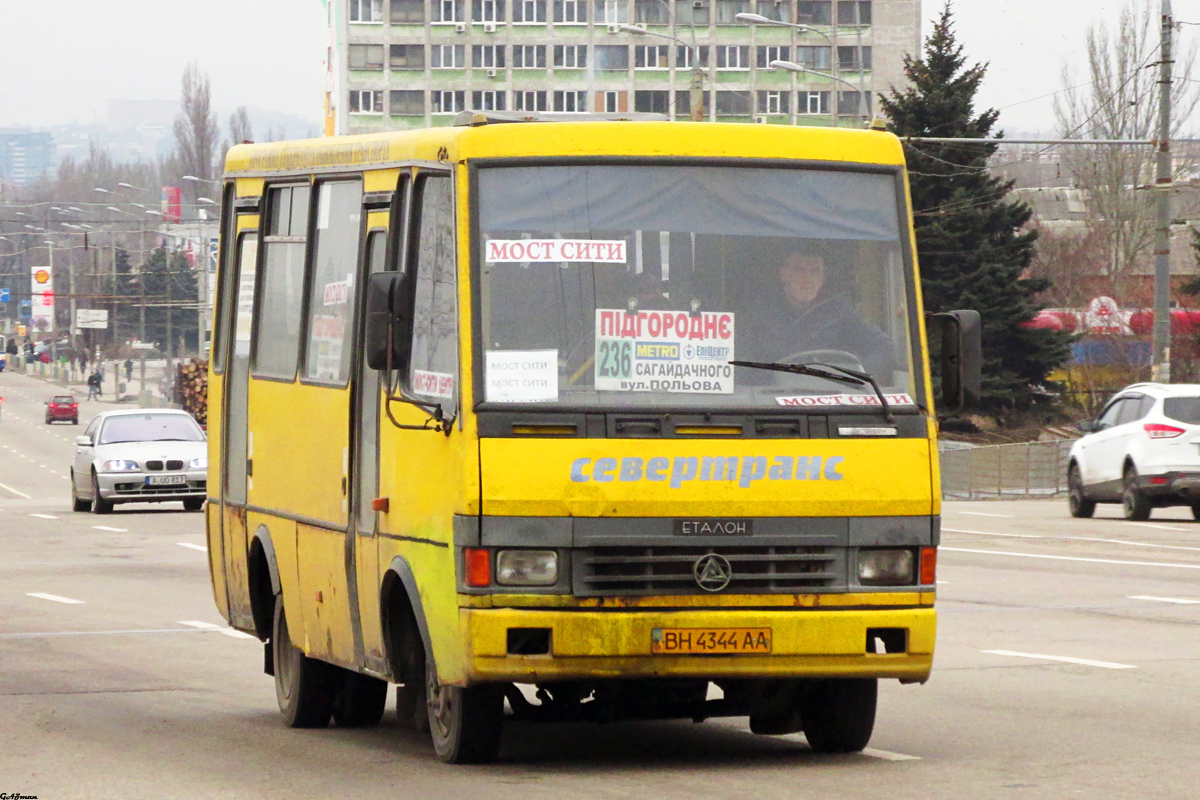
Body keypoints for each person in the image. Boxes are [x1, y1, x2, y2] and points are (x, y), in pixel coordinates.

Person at [743, 249, 896, 378]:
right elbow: (742, 365)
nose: (807, 279)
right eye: (799, 270)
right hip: (770, 402)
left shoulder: (839, 314)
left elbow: (884, 347)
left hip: (828, 403)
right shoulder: (760, 314)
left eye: (815, 271)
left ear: (823, 279)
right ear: (784, 274)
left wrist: (854, 378)